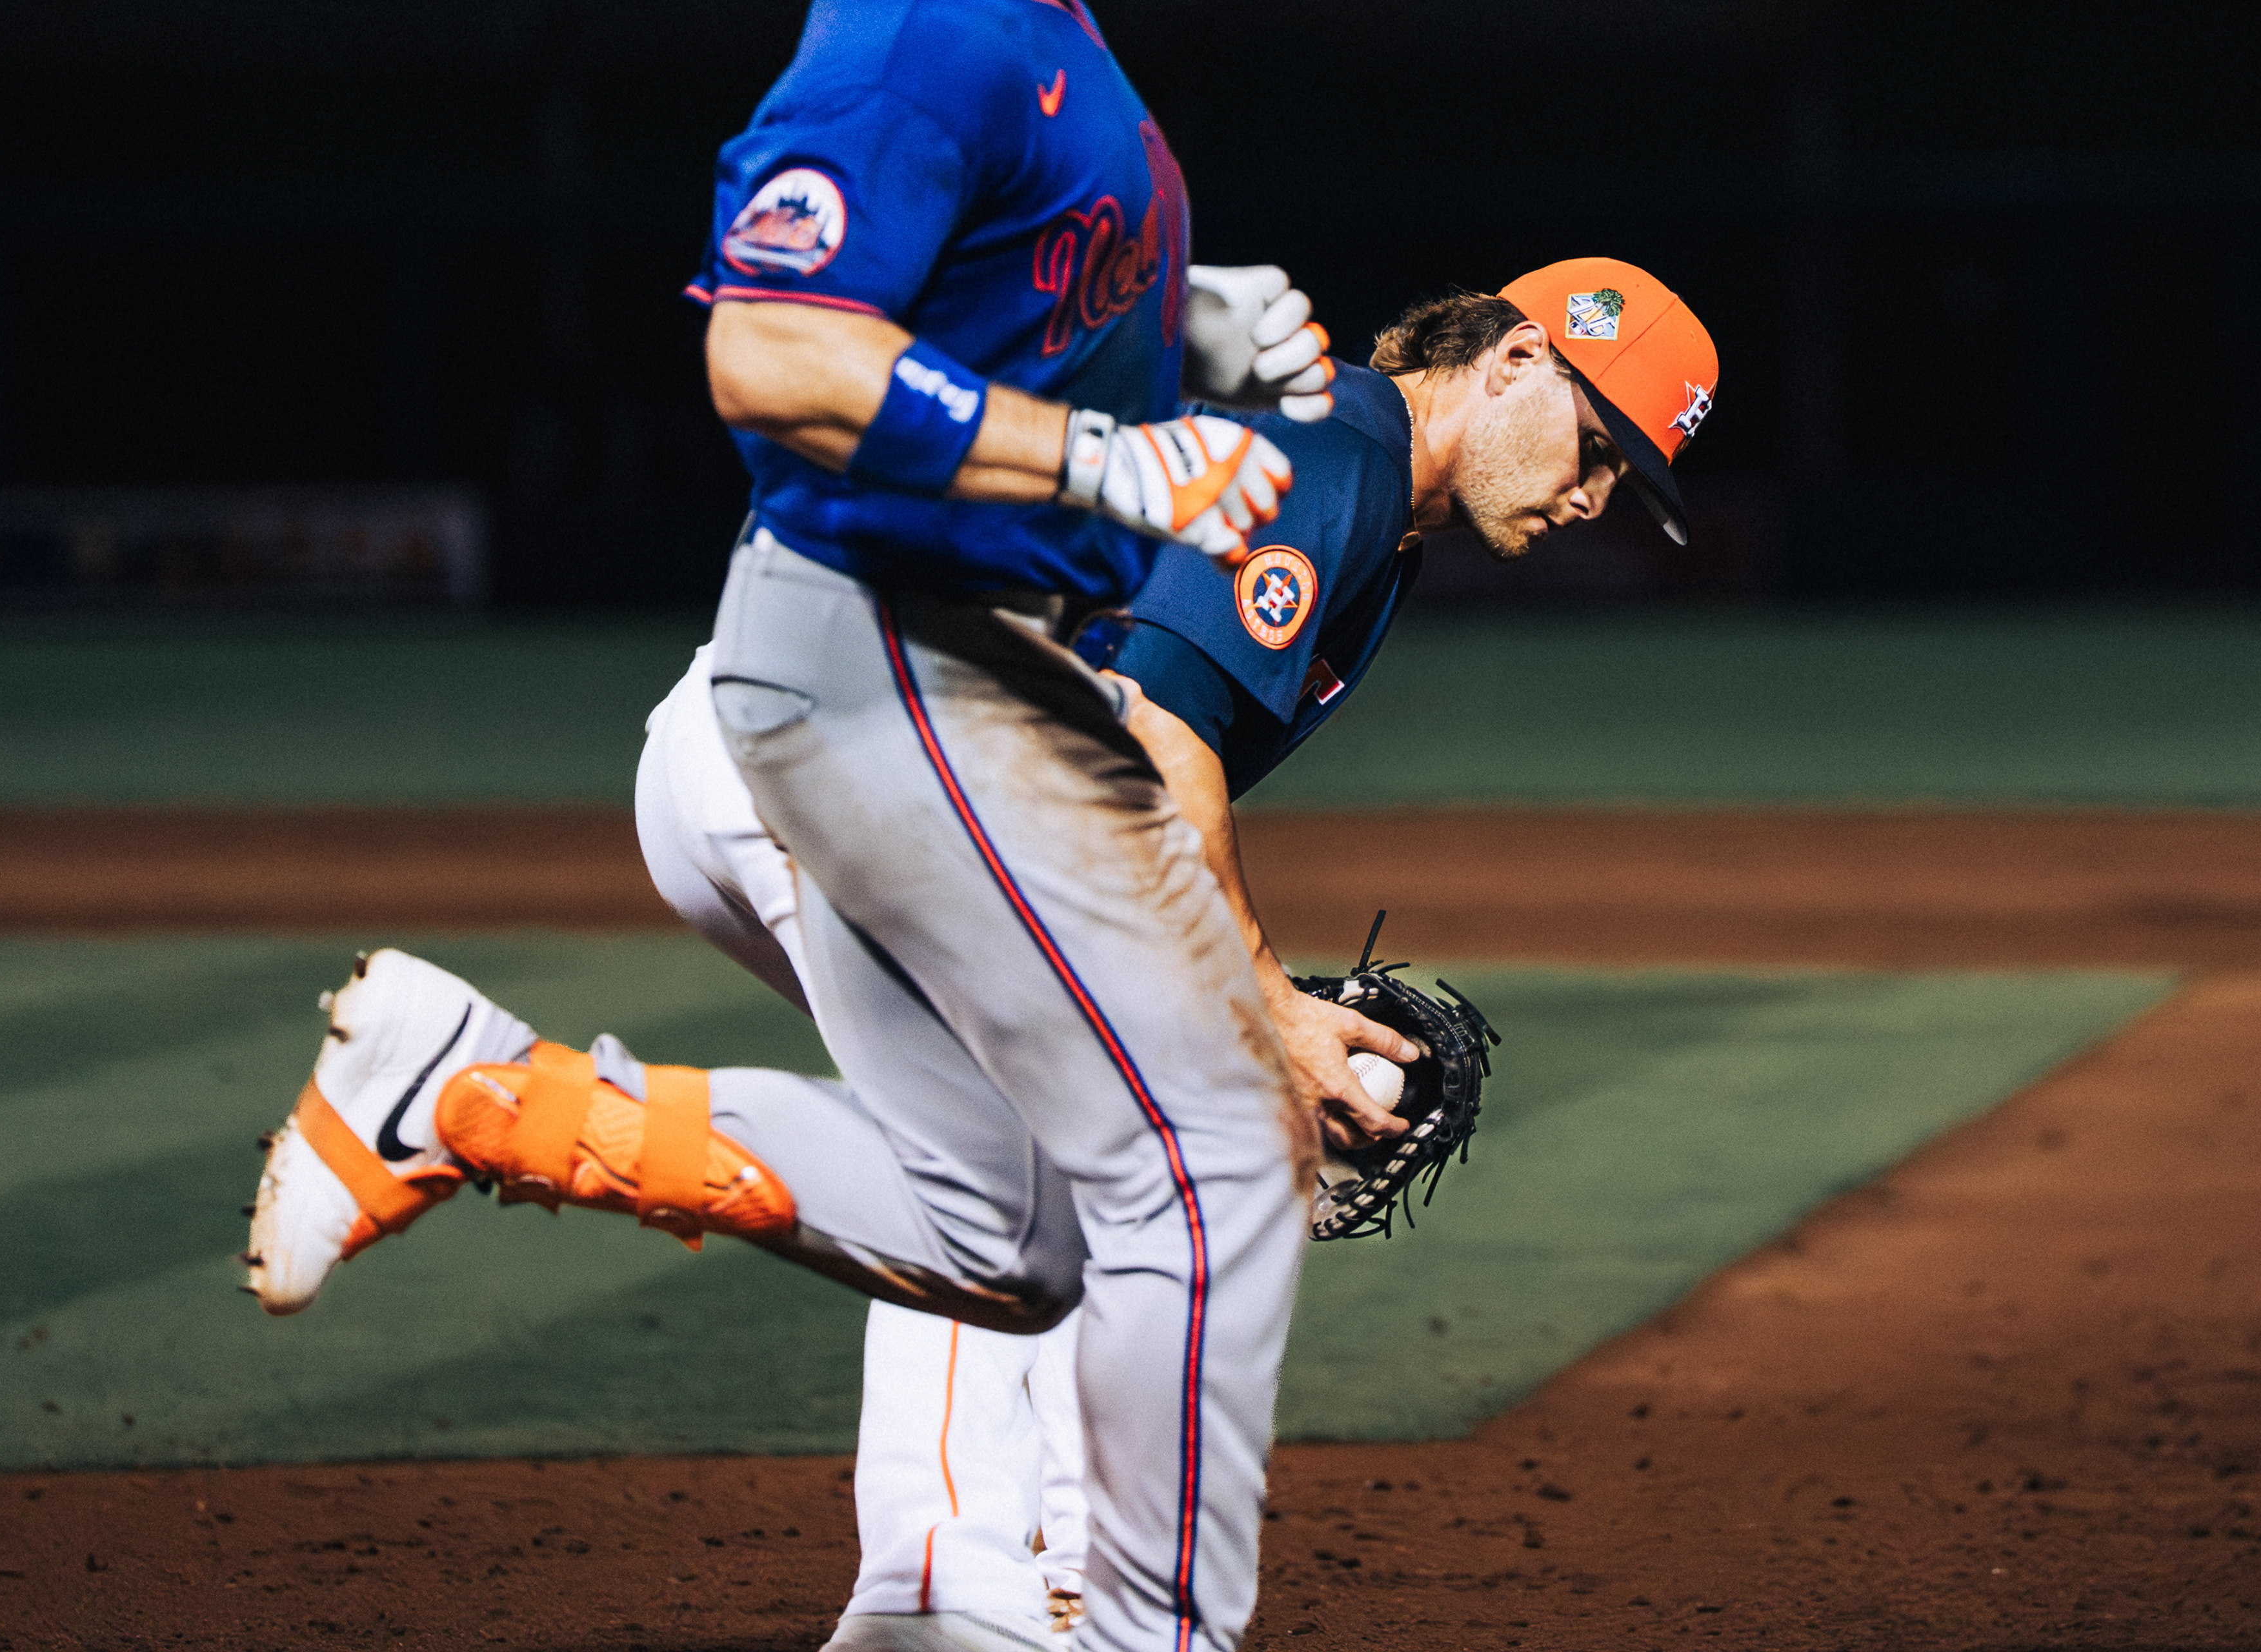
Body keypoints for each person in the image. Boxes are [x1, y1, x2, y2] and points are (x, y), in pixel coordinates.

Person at [243, 237, 1718, 1652]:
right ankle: (939, 1576)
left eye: (1631, 483)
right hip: (834, 749)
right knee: (1015, 1150)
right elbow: (1157, 739)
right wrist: (1262, 1006)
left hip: (844, 759)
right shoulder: (1336, 448)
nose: (1599, 496)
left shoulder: (1379, 510)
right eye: (1604, 450)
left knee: (1073, 1160)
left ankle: (1056, 1576)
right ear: (1521, 358)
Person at [248, 4, 1341, 1651]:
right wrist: (1110, 451)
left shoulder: (1067, 51)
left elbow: (988, 300)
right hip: (893, 653)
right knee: (1212, 1159)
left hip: (962, 661)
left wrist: (1178, 334)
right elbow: (773, 352)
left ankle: (472, 1093)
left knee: (1019, 1237)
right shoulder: (918, 32)